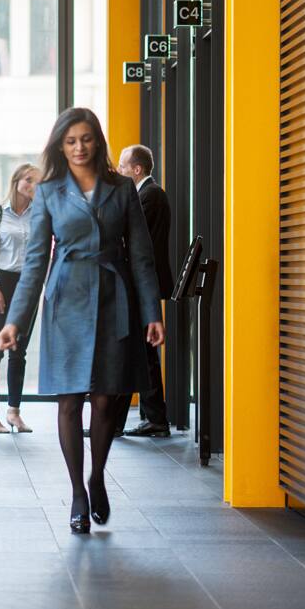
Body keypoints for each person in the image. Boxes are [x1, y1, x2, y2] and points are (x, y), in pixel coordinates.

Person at [0, 108, 165, 535]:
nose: (79, 147)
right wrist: (16, 320)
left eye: (86, 138)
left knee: (109, 398)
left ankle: (97, 475)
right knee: (70, 399)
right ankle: (77, 491)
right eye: (71, 140)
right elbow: (36, 261)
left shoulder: (122, 188)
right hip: (66, 301)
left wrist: (152, 312)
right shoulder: (50, 192)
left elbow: (142, 256)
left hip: (114, 298)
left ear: (98, 141)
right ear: (60, 145)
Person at [113, 144, 174, 438]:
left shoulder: (149, 196)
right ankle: (145, 419)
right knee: (141, 352)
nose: (120, 171)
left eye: (123, 167)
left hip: (142, 286)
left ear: (136, 170)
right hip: (141, 286)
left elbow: (136, 242)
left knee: (139, 352)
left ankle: (147, 419)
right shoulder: (147, 195)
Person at [0, 164, 40, 434]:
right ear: (16, 182)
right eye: (28, 180)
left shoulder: (39, 214)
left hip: (28, 285)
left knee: (19, 351)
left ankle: (14, 411)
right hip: (2, 283)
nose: (32, 185)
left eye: (37, 182)